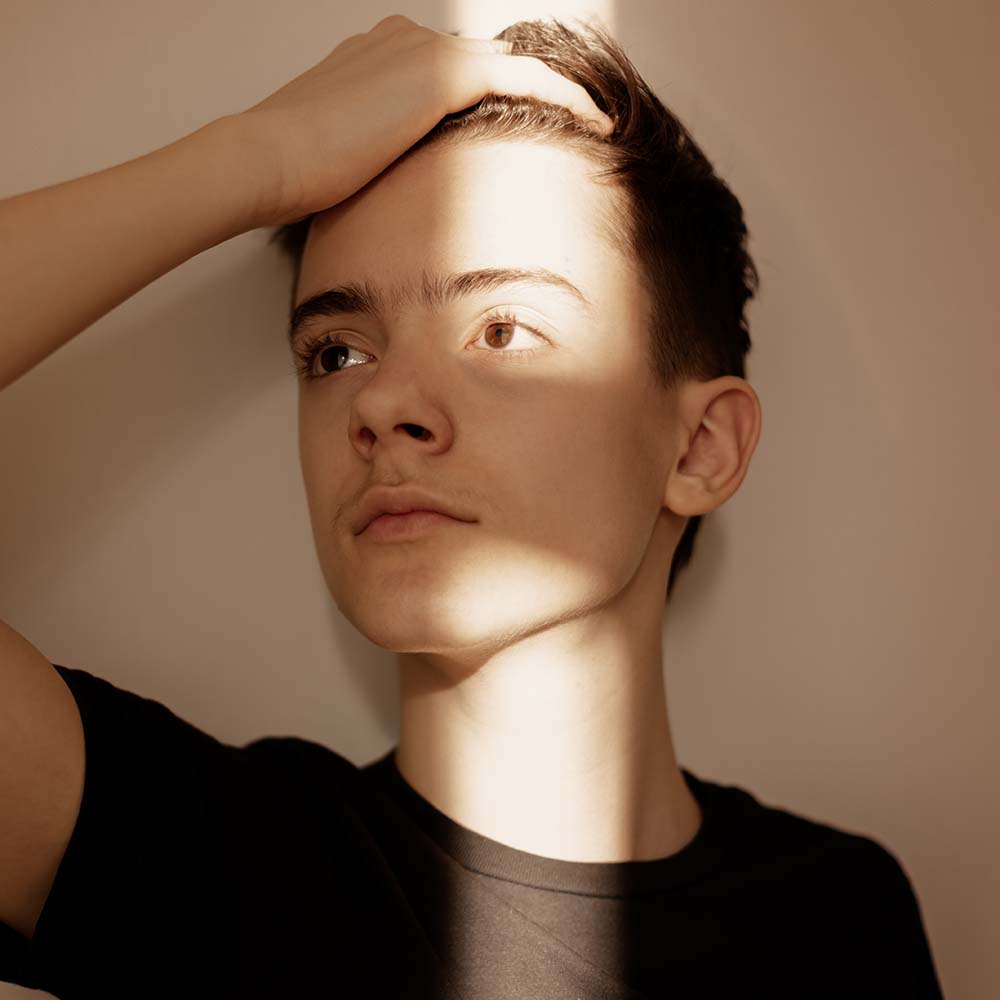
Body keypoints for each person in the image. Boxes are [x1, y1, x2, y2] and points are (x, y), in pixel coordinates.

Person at [0, 14, 943, 999]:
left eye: (501, 330)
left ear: (700, 447)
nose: (380, 404)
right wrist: (260, 157)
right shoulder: (220, 872)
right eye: (336, 352)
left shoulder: (846, 917)